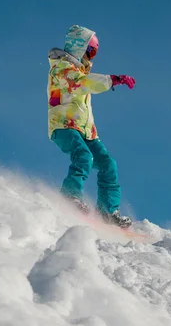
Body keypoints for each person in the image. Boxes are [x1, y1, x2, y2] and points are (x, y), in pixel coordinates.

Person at [47, 24, 136, 228]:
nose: (92, 57)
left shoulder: (78, 71)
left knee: (107, 164)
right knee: (83, 157)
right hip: (63, 126)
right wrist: (111, 80)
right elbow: (81, 83)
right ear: (79, 48)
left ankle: (107, 211)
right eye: (91, 50)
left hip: (85, 131)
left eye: (95, 52)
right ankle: (70, 196)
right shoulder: (61, 69)